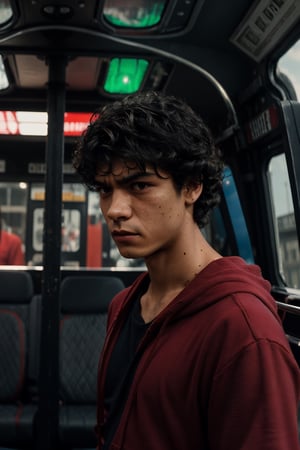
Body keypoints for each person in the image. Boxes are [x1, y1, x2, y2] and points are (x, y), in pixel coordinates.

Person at [73, 91, 300, 450]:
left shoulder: (244, 330)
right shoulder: (124, 305)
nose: (115, 209)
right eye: (105, 190)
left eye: (140, 185)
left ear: (191, 186)